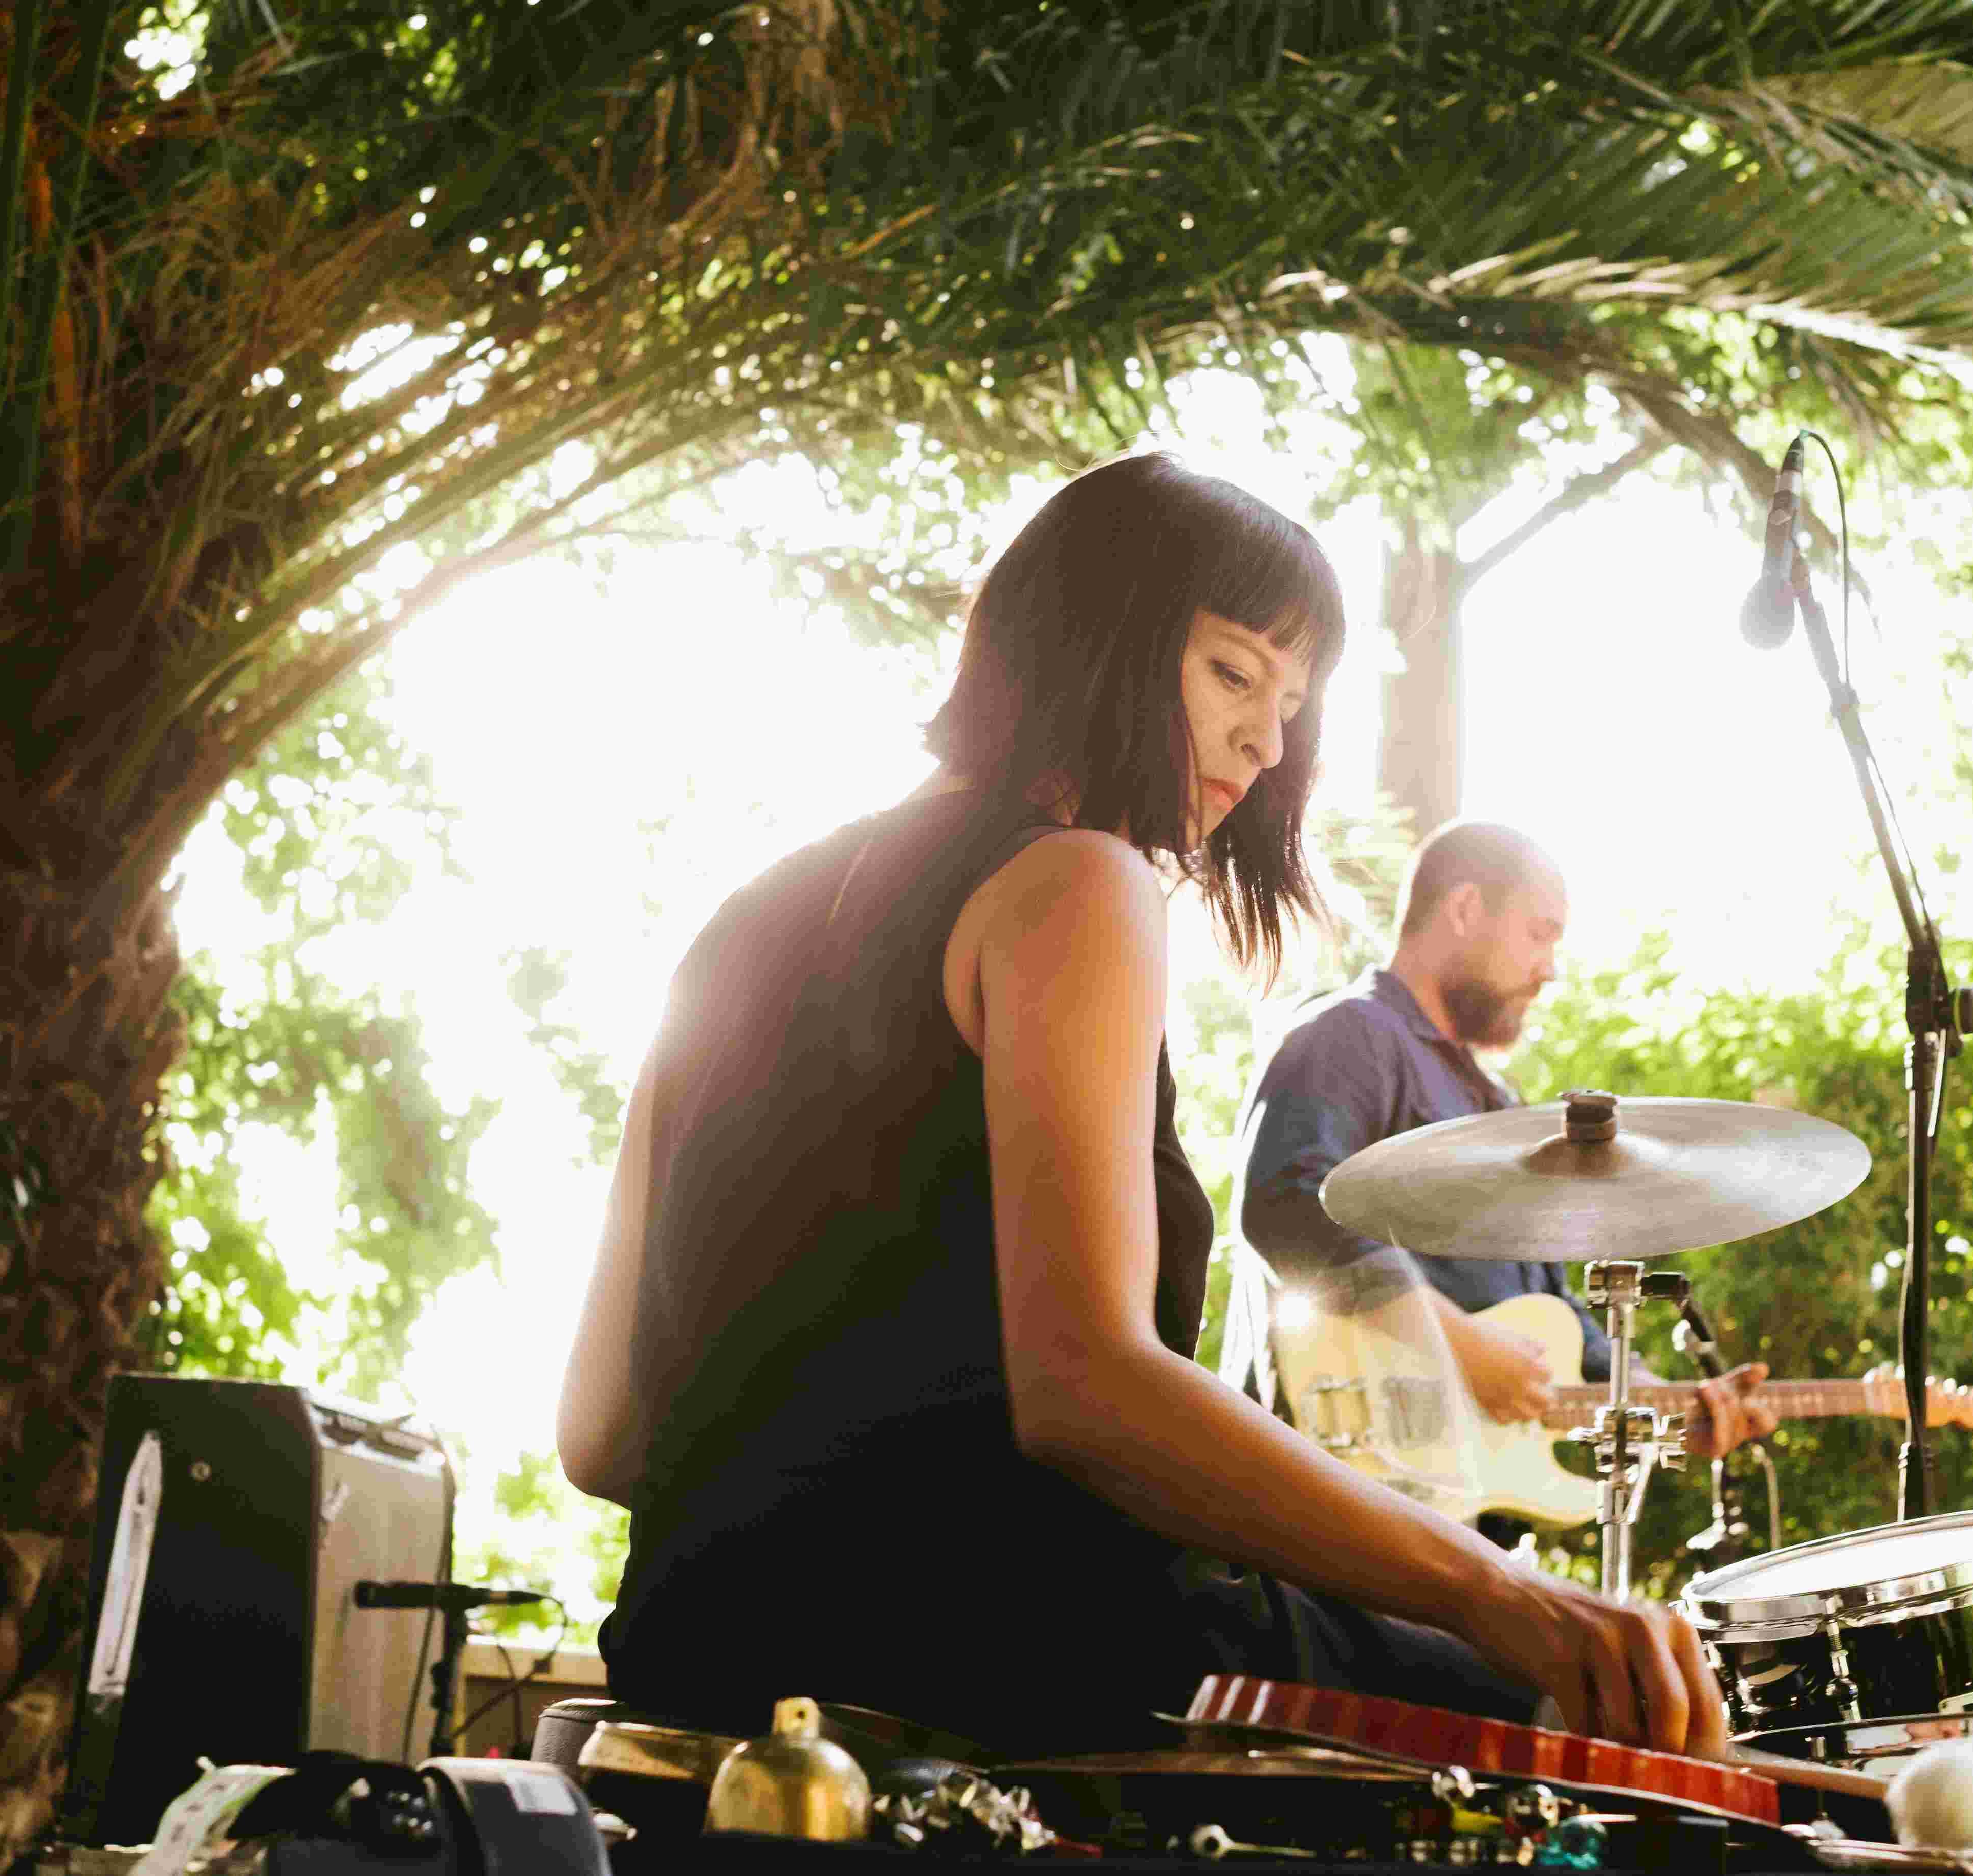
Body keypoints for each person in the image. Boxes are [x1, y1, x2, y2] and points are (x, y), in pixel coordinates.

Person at [554, 453, 1737, 1763]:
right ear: (1095, 633)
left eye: (1291, 704)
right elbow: (1087, 1386)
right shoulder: (1072, 880)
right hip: (1003, 1667)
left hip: (689, 1668)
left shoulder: (730, 931)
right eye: (1234, 673)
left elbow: (600, 1435)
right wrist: (1499, 1592)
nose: (1267, 741)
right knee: (1612, 1736)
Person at [1235, 820, 1773, 1500]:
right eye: (1539, 934)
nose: (1550, 968)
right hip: (1326, 1485)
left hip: (1459, 1505)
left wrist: (1656, 1404)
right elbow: (1286, 1205)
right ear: (1464, 909)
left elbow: (1548, 1308)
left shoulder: (1498, 1103)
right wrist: (1455, 1343)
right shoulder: (1350, 1035)